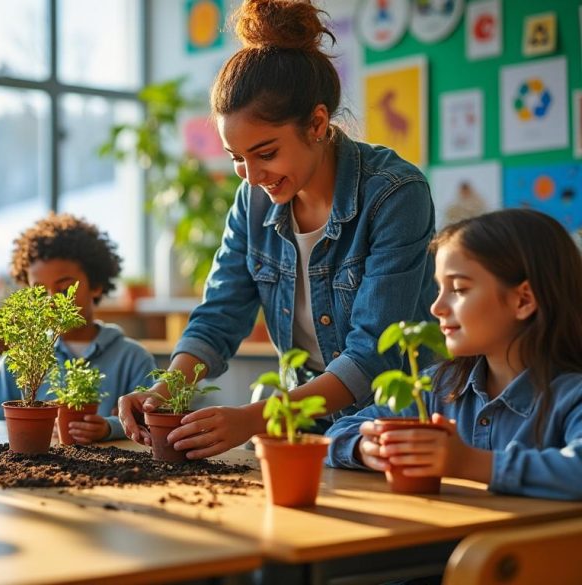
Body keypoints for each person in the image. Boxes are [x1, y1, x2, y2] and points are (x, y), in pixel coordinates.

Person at [120, 0, 437, 458]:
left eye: (265, 153)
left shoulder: (394, 194)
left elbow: (373, 355)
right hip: (304, 427)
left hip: (395, 425)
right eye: (236, 159)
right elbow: (219, 315)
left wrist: (257, 418)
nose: (250, 175)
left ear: (316, 123)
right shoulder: (253, 200)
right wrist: (165, 389)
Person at [326, 209, 582, 500]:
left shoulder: (573, 395)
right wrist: (364, 448)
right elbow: (340, 430)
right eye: (439, 288)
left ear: (522, 300)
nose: (436, 307)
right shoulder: (439, 386)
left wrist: (469, 463)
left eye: (459, 289)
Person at [0, 213, 156, 443]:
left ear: (95, 286)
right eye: (39, 291)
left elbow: (152, 419)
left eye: (65, 289)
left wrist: (109, 427)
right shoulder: (21, 358)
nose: (52, 300)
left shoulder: (133, 358)